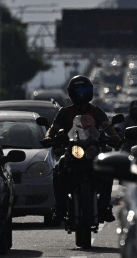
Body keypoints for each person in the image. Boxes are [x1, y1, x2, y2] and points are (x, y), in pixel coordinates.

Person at [44, 75, 121, 223]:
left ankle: (105, 207)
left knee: (107, 171)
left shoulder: (97, 111)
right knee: (58, 170)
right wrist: (49, 137)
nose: (81, 94)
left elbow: (107, 126)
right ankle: (59, 207)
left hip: (93, 150)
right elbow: (53, 129)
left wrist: (115, 137)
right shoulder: (64, 112)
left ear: (90, 91)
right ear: (71, 93)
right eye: (78, 90)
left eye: (84, 90)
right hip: (72, 150)